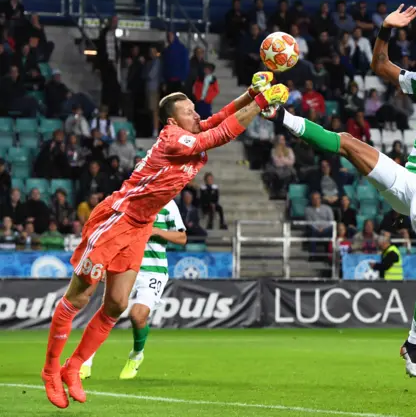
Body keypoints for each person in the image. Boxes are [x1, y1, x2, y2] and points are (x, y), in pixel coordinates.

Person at [266, 4, 416, 379]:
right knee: (348, 142)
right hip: (409, 179)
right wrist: (385, 29)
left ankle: (412, 343)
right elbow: (381, 66)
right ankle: (281, 116)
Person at [40, 72, 289, 409]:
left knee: (116, 304)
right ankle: (50, 370)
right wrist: (261, 103)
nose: (197, 115)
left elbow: (214, 120)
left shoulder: (190, 130)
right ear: (173, 119)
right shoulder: (173, 138)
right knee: (81, 295)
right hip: (117, 218)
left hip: (141, 225)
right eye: (189, 112)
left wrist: (249, 95)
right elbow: (217, 135)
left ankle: (73, 366)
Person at [80, 200, 186, 380]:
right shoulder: (128, 199)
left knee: (138, 316)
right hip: (124, 265)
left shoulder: (168, 203)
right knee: (108, 311)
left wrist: (156, 231)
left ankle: (136, 355)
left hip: (153, 269)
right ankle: (85, 361)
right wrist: (106, 263)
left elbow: (182, 238)